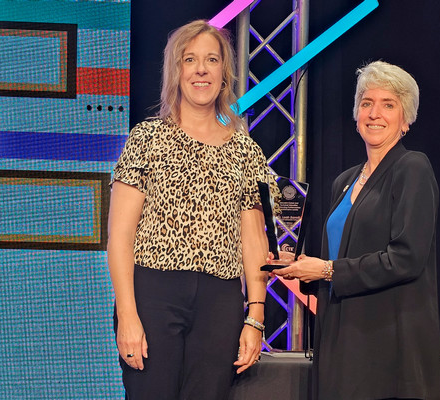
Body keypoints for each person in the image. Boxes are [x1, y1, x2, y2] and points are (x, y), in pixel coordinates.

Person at [107, 20, 276, 400]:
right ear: (176, 71)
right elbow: (120, 237)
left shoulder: (245, 150)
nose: (201, 69)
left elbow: (253, 241)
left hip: (220, 302)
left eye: (211, 60)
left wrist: (256, 318)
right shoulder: (147, 139)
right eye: (190, 60)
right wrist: (127, 316)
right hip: (153, 294)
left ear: (224, 73)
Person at [271, 61, 440, 400]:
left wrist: (327, 269)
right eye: (366, 103)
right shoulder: (344, 181)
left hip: (388, 347)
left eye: (388, 104)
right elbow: (339, 260)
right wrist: (300, 266)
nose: (374, 113)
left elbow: (406, 258)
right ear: (356, 114)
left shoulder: (412, 168)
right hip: (340, 337)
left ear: (405, 120)